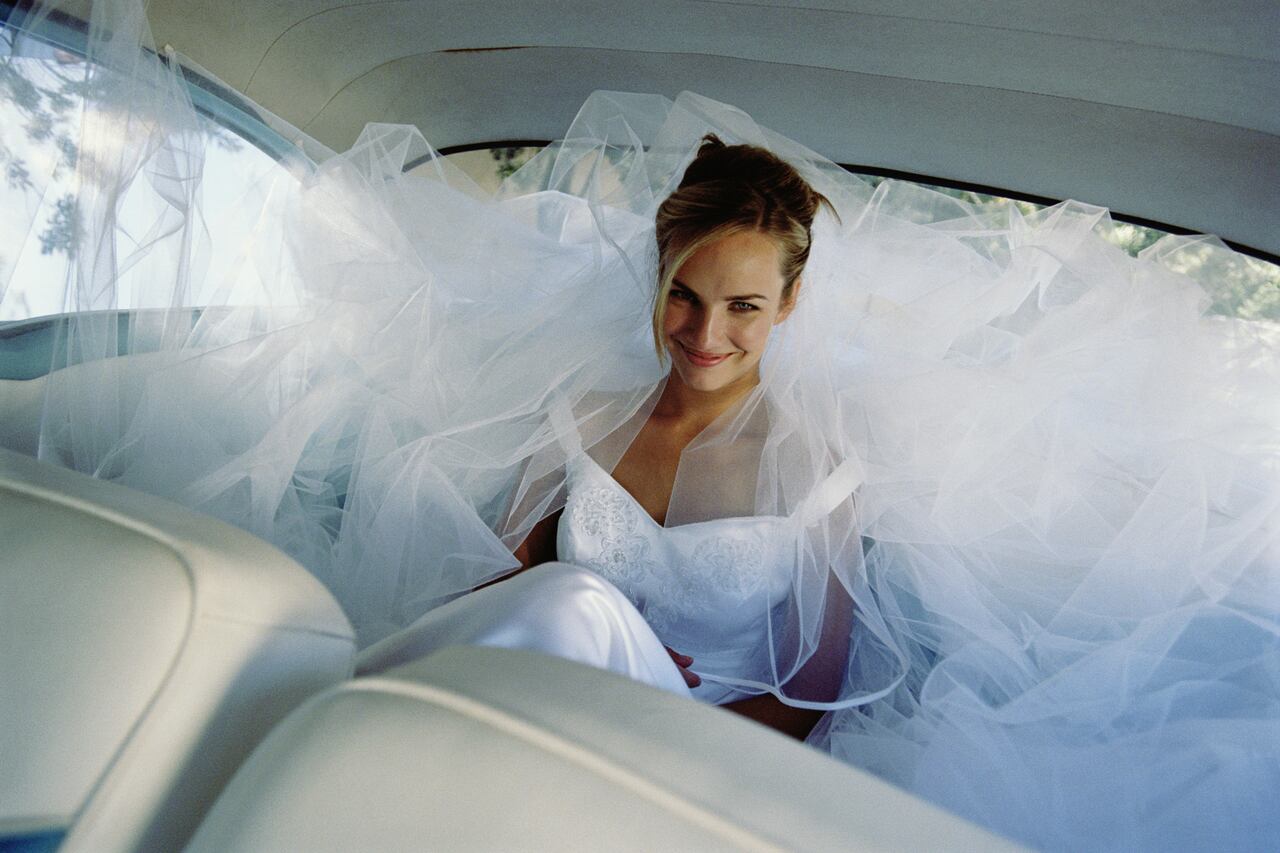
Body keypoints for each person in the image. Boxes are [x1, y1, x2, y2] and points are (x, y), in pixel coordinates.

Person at [3, 3, 1278, 849]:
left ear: (788, 305)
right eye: (681, 290)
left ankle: (332, 757)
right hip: (521, 676)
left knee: (576, 608)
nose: (703, 331)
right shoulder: (585, 416)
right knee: (561, 604)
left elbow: (818, 694)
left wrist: (663, 750)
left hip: (697, 743)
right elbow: (497, 582)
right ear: (655, 272)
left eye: (739, 305)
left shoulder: (813, 460)